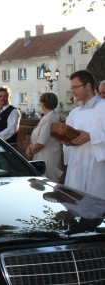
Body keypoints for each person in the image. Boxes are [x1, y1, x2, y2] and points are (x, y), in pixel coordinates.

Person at [63, 70, 105, 200]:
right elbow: (67, 136)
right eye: (71, 88)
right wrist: (67, 140)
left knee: (95, 207)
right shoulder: (74, 113)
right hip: (76, 164)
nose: (73, 91)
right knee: (75, 202)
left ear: (88, 86)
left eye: (75, 87)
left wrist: (92, 136)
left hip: (97, 166)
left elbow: (93, 135)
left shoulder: (103, 107)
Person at [25, 92, 63, 183]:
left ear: (43, 103)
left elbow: (41, 142)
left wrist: (30, 151)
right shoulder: (50, 116)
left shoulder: (49, 118)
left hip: (46, 158)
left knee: (46, 184)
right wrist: (30, 147)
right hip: (45, 156)